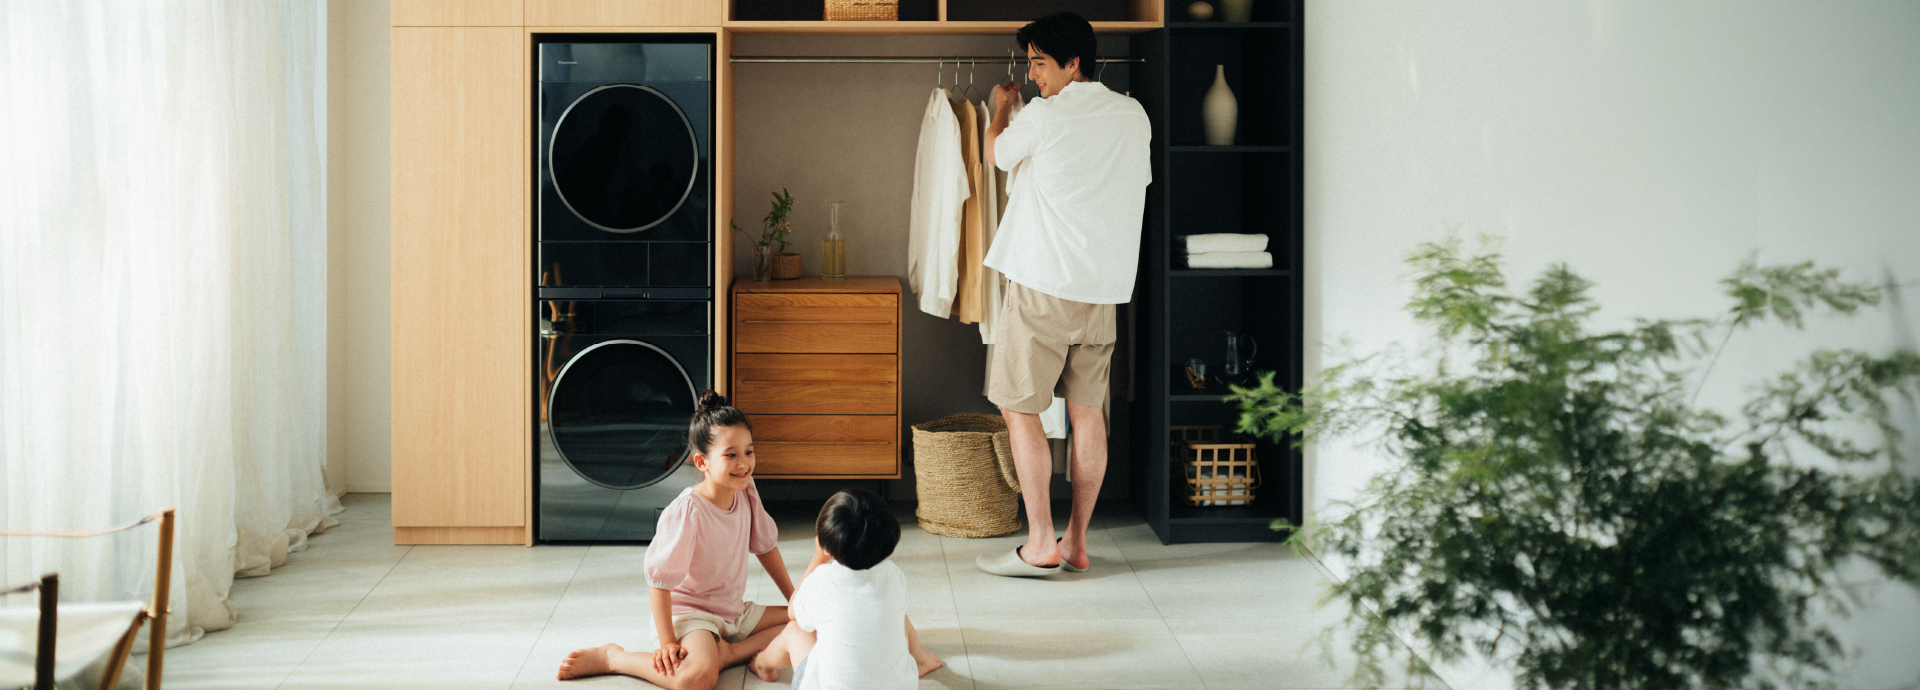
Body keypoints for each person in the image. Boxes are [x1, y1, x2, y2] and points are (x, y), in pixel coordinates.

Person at [976, 11, 1152, 578]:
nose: (1033, 76)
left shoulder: (1044, 115)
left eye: (1040, 63)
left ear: (1074, 63)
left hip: (1042, 285)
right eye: (1029, 64)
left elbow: (994, 154)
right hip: (1102, 291)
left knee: (1018, 408)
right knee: (1087, 413)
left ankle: (1040, 542)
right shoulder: (1133, 115)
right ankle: (1077, 543)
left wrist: (1003, 107)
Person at [557, 391, 793, 689]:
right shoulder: (688, 510)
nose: (743, 463)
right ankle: (614, 658)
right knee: (695, 679)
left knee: (812, 621)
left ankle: (729, 653)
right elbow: (659, 580)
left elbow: (765, 546)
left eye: (749, 452)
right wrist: (667, 642)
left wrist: (795, 600)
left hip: (733, 610)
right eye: (731, 454)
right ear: (702, 462)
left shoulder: (745, 489)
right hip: (693, 613)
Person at [747, 490, 945, 688]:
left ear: (826, 544)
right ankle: (918, 661)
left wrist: (819, 557)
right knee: (896, 610)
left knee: (794, 630)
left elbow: (793, 613)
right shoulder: (893, 575)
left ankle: (762, 664)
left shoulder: (822, 581)